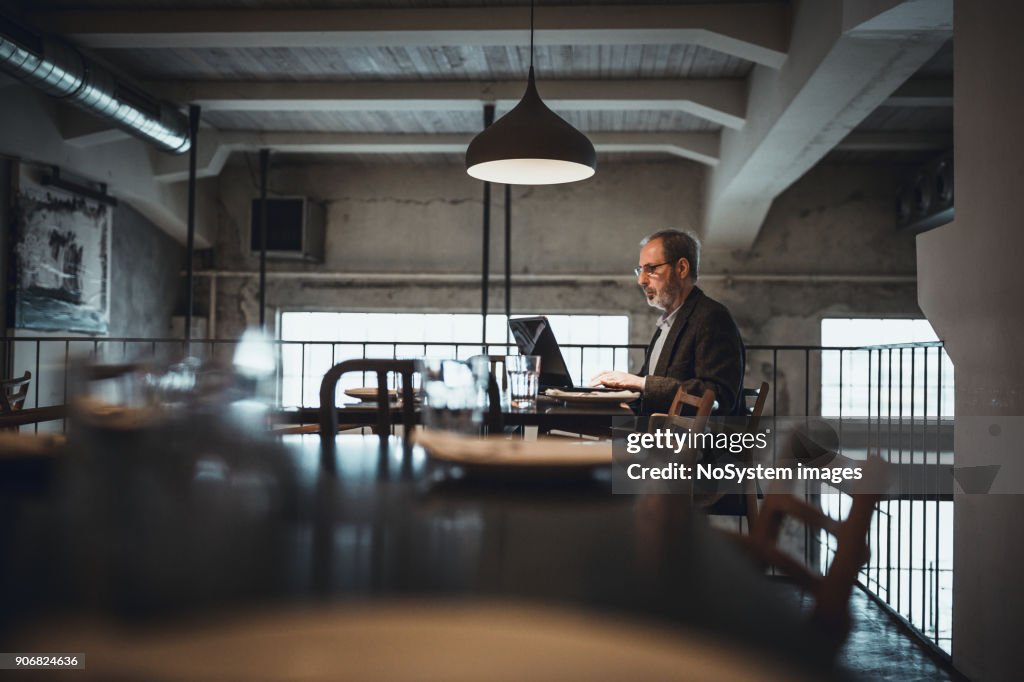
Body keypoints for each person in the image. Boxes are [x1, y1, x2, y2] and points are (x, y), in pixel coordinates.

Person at [591, 229, 746, 416]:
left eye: (651, 269)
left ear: (681, 268)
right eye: (640, 270)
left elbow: (719, 395)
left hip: (698, 443)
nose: (641, 280)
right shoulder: (668, 323)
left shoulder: (712, 317)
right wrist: (614, 394)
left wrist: (641, 383)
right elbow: (650, 388)